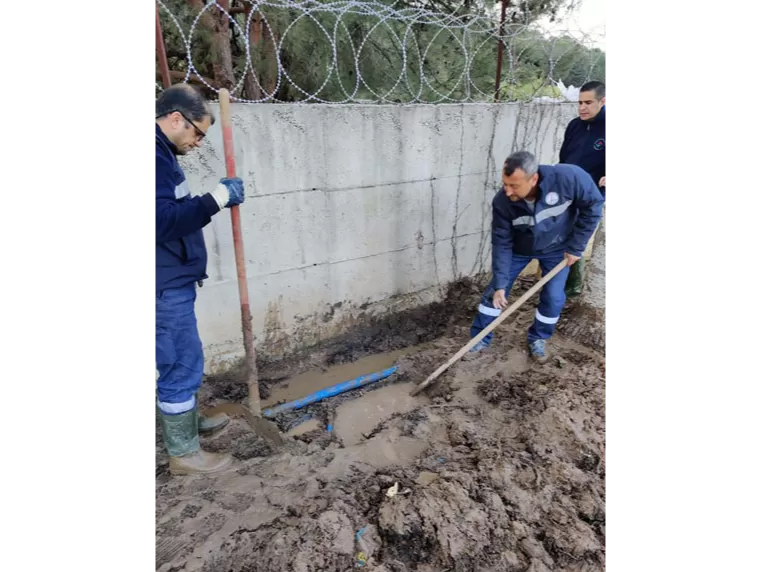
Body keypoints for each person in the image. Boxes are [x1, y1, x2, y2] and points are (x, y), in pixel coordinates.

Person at [155, 84, 246, 475]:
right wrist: (216, 199)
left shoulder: (162, 153)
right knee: (181, 361)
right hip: (163, 284)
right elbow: (161, 221)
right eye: (197, 133)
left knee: (180, 358)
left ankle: (187, 424)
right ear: (176, 118)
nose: (197, 143)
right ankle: (184, 455)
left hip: (169, 276)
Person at [468, 151, 604, 361]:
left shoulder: (569, 178)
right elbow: (502, 243)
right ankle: (480, 338)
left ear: (533, 179)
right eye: (505, 183)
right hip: (519, 250)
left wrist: (576, 247)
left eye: (514, 185)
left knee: (554, 297)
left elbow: (593, 206)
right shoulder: (503, 203)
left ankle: (539, 337)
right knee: (493, 292)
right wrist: (501, 285)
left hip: (557, 248)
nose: (507, 190)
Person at [559, 80, 606, 297]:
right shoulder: (575, 125)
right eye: (580, 102)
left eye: (588, 102)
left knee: (577, 236)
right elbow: (564, 156)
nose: (582, 108)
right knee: (562, 233)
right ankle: (564, 281)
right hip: (568, 190)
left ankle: (572, 286)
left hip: (593, 195)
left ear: (602, 101)